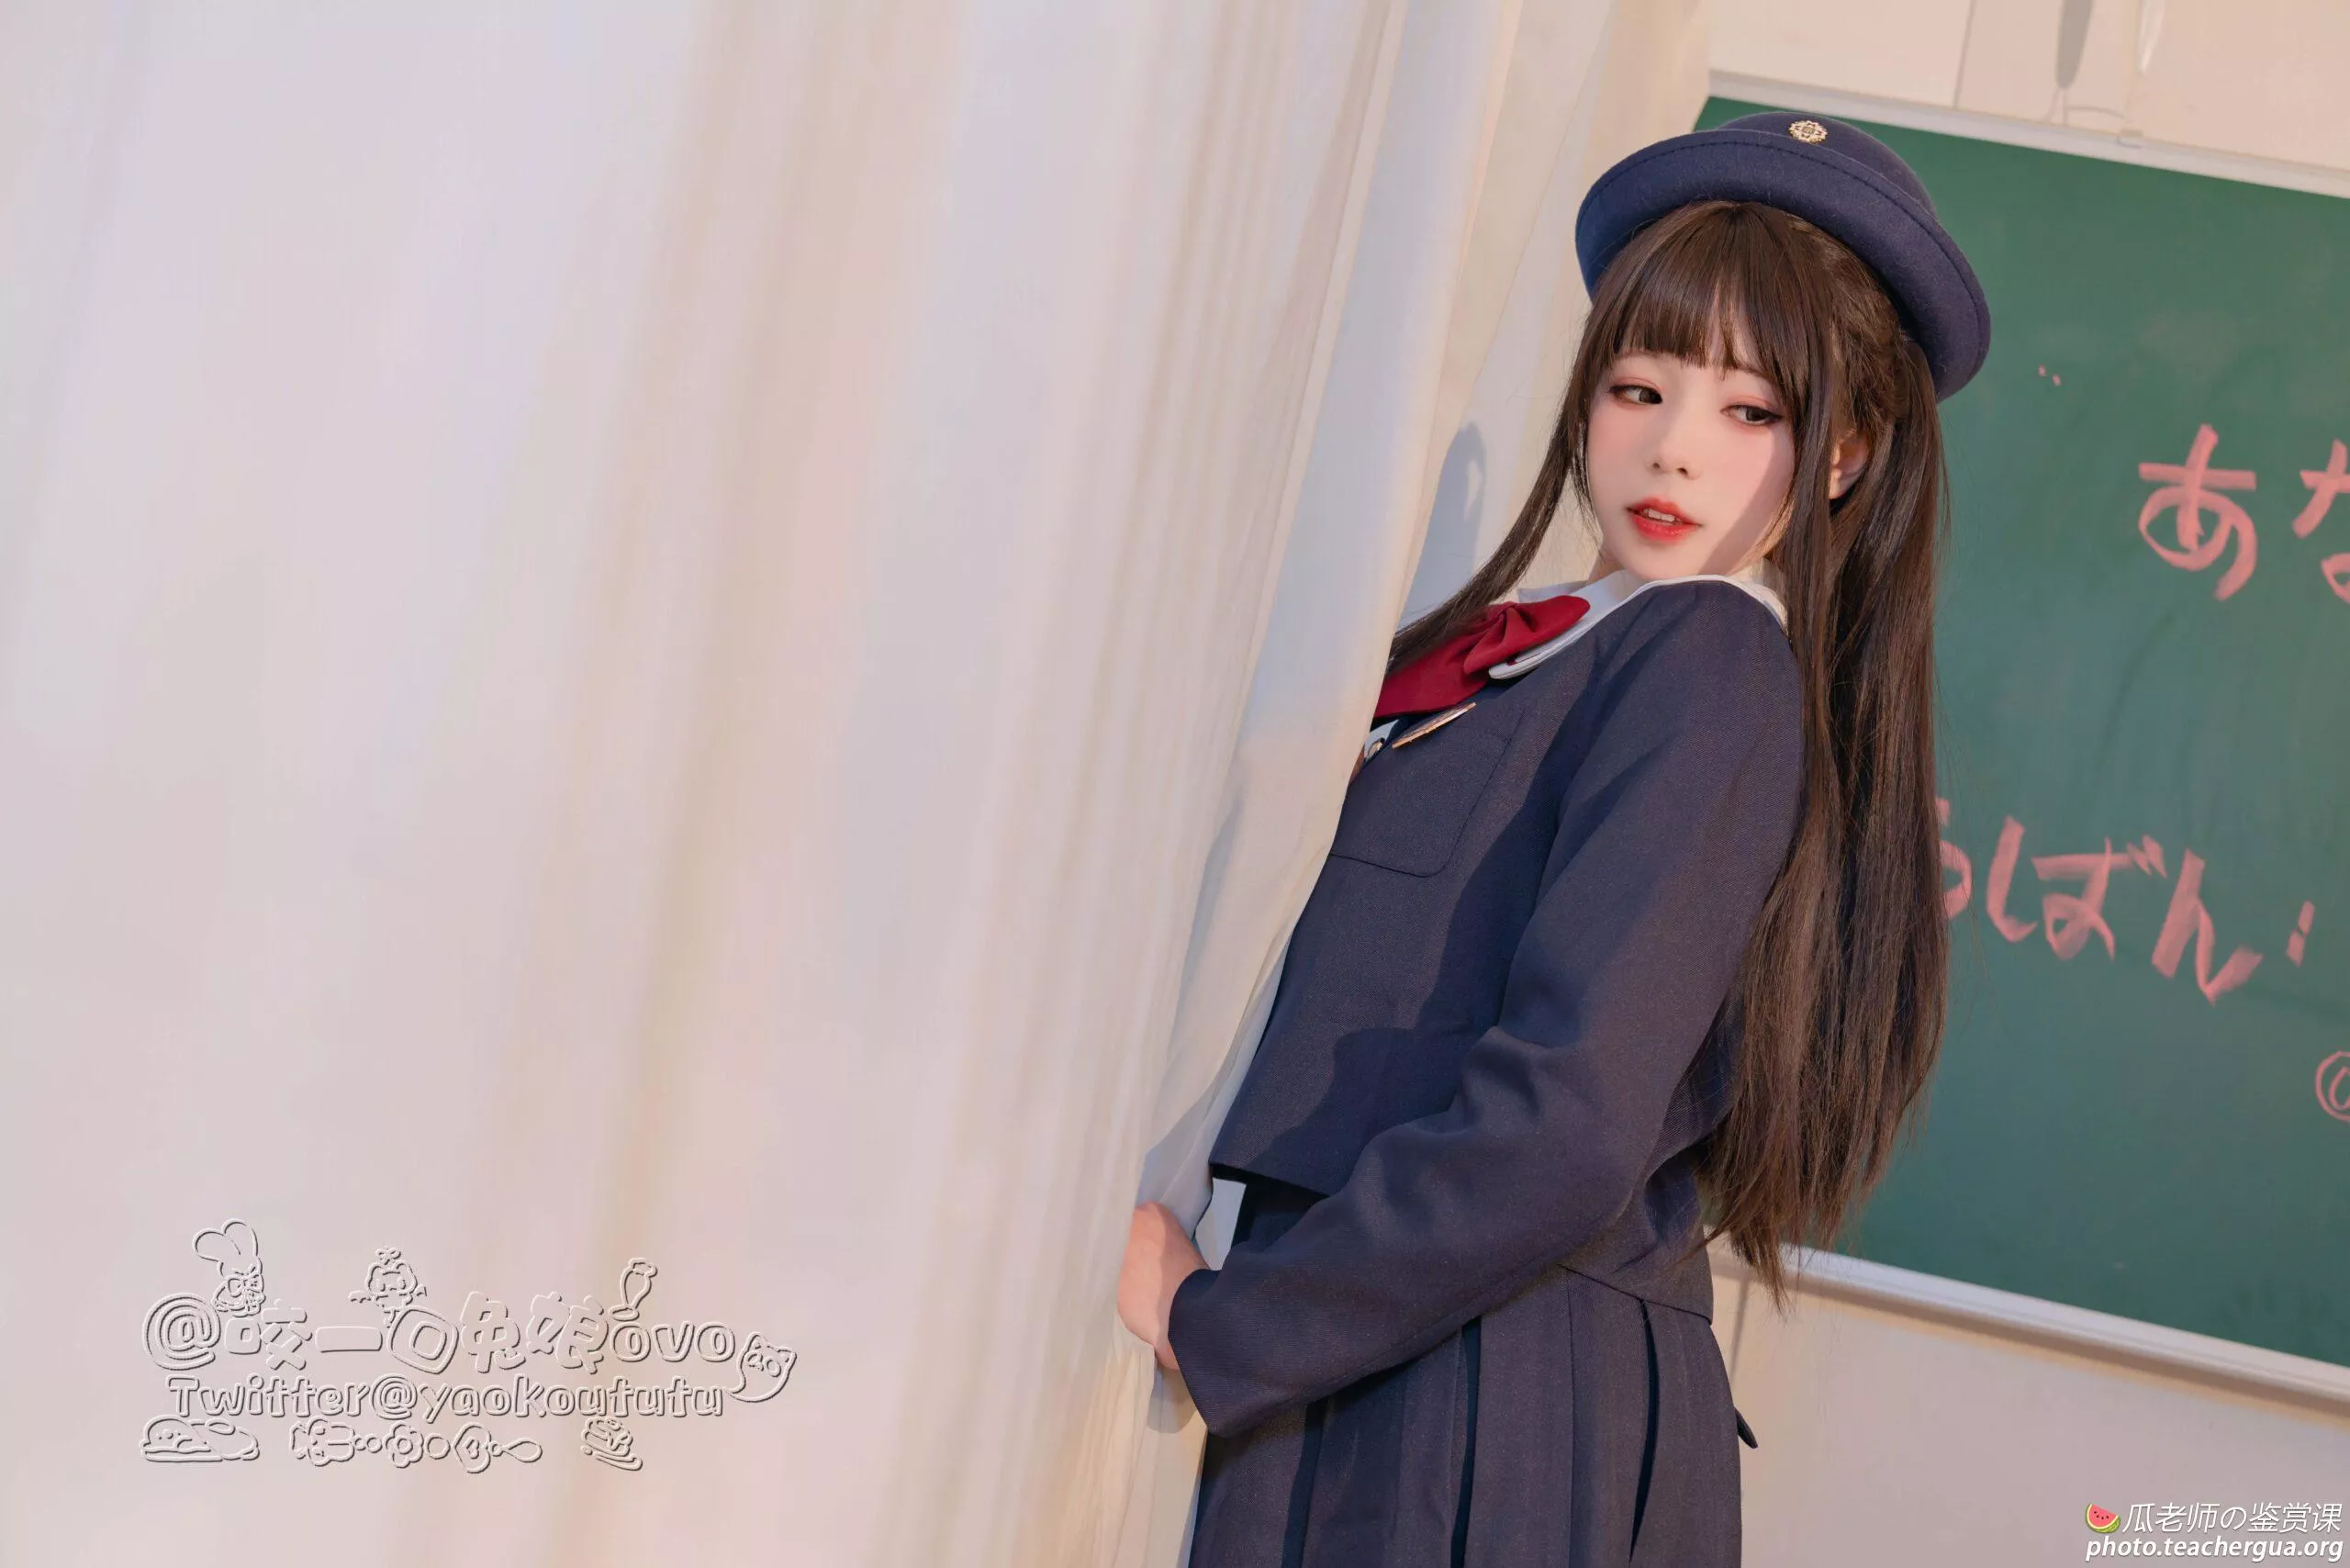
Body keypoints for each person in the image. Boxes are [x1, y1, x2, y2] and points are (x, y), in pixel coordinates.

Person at [1116, 110, 1991, 1567]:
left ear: (1846, 452)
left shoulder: (1708, 656)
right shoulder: (1552, 645)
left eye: (1751, 412)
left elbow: (1567, 1118)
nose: (1672, 448)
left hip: (1460, 1395)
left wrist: (1231, 1323)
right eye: (1639, 386)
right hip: (1411, 1358)